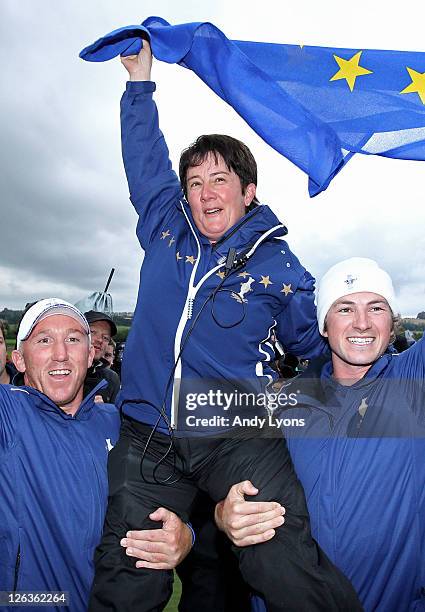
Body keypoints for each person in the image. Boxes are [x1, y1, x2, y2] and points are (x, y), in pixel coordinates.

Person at [89, 42, 361, 612]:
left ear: (248, 190)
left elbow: (313, 350)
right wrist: (140, 82)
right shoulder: (166, 228)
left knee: (275, 548)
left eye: (220, 179)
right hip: (146, 435)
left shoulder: (280, 267)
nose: (206, 193)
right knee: (133, 567)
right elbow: (144, 159)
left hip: (233, 431)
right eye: (195, 182)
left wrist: (348, 377)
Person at [217, 258, 425, 611]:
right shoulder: (283, 406)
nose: (362, 322)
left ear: (392, 325)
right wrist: (225, 515)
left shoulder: (413, 384)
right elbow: (231, 490)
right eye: (344, 308)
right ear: (324, 326)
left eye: (376, 308)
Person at [0, 298, 193, 612]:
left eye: (74, 339)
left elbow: (175, 497)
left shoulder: (120, 424)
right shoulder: (8, 413)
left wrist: (187, 536)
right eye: (44, 340)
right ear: (19, 359)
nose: (60, 353)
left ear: (90, 355)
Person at [84, 310, 120, 402]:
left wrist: (104, 413)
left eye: (105, 337)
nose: (100, 340)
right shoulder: (60, 371)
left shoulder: (111, 379)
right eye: (93, 332)